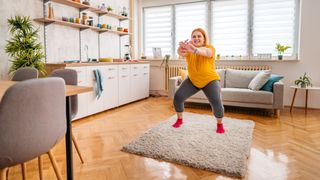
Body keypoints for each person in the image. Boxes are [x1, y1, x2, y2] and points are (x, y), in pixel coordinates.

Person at [172, 28, 225, 134]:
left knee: (216, 102)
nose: (196, 38)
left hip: (210, 80)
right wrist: (181, 47)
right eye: (194, 36)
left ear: (204, 38)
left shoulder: (210, 48)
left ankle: (219, 124)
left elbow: (206, 52)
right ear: (191, 39)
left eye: (199, 36)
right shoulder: (189, 50)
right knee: (178, 97)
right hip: (193, 80)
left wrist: (195, 50)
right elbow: (181, 53)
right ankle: (179, 119)